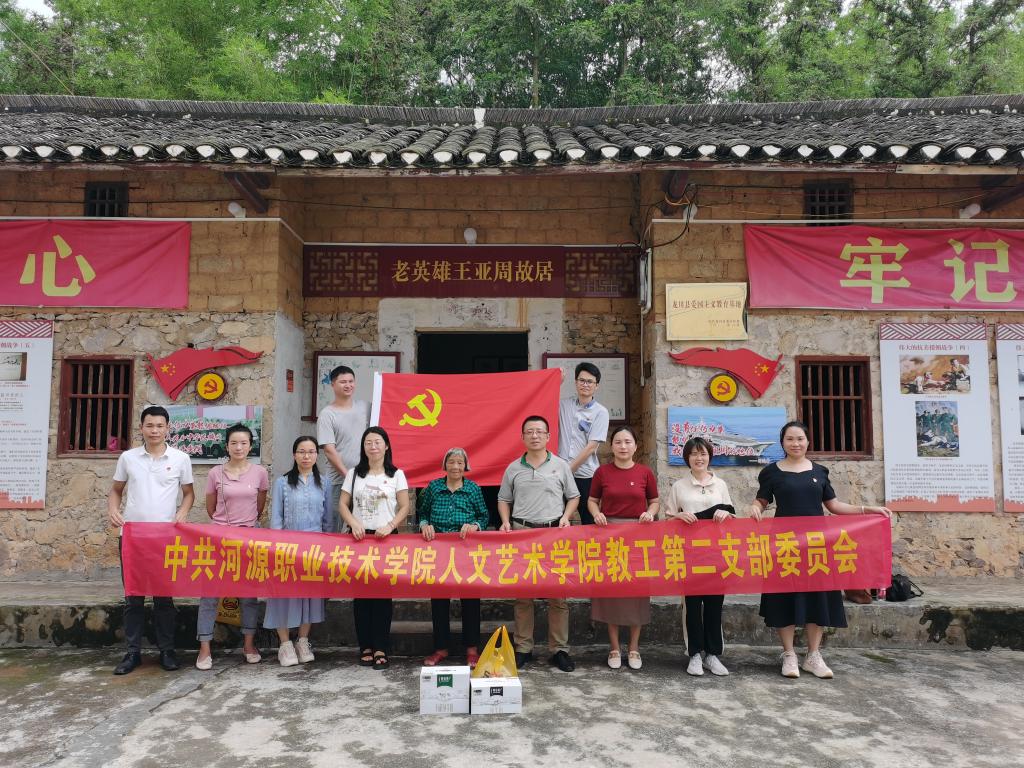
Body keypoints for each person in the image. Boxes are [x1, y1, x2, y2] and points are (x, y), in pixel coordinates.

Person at [747, 420, 892, 679]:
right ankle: (789, 655)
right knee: (784, 597)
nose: (795, 443)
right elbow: (762, 500)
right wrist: (755, 508)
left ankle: (813, 656)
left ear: (807, 441)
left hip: (817, 545)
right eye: (790, 439)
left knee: (819, 597)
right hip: (784, 544)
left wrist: (867, 509)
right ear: (782, 443)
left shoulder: (820, 471)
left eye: (800, 438)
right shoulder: (771, 472)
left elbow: (834, 506)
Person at [107, 405, 195, 675]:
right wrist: (113, 510)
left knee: (163, 599)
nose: (154, 430)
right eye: (149, 425)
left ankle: (167, 651)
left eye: (159, 426)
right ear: (141, 428)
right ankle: (132, 653)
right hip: (132, 538)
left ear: (168, 428)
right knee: (133, 598)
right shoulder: (128, 458)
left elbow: (189, 493)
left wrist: (182, 513)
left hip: (165, 539)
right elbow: (116, 490)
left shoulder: (180, 458)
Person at [498, 415, 580, 672]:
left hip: (553, 535)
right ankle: (523, 648)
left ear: (548, 436)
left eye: (539, 431)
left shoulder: (561, 465)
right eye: (529, 432)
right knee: (523, 595)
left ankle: (559, 650)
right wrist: (505, 521)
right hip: (522, 534)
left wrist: (566, 517)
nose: (534, 436)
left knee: (558, 596)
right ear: (522, 437)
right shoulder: (513, 468)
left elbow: (573, 496)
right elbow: (503, 499)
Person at [195, 424, 268, 670]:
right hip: (219, 540)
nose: (239, 447)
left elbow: (259, 506)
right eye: (234, 443)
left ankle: (249, 644)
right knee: (209, 594)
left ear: (250, 446)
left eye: (244, 443)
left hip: (248, 540)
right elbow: (211, 507)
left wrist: (244, 527)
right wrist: (225, 528)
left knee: (248, 595)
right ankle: (204, 647)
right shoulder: (215, 473)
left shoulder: (259, 473)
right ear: (226, 446)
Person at [588, 425, 659, 670]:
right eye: (618, 442)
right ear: (612, 446)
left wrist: (650, 513)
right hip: (610, 537)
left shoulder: (645, 472)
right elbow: (592, 500)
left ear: (635, 446)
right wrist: (596, 514)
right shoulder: (602, 472)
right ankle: (614, 648)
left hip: (638, 538)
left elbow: (654, 501)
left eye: (628, 442)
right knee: (612, 592)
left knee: (637, 592)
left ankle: (634, 648)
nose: (623, 446)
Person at [339, 426, 410, 670]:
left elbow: (404, 506)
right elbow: (343, 504)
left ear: (386, 446)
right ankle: (365, 647)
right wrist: (353, 523)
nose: (373, 446)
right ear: (363, 447)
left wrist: (390, 525)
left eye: (377, 442)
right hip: (359, 539)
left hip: (386, 540)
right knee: (361, 596)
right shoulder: (354, 474)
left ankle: (381, 647)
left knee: (382, 596)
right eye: (368, 442)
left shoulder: (397, 474)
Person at [664, 436, 736, 677]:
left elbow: (732, 515)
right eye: (694, 454)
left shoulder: (721, 485)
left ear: (709, 456)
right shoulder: (679, 486)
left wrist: (725, 514)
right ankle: (694, 654)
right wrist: (678, 517)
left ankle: (712, 655)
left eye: (703, 453)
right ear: (687, 458)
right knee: (692, 606)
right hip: (689, 554)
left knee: (715, 605)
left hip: (716, 553)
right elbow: (667, 519)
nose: (699, 458)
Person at [264, 436, 333, 667]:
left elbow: (328, 520)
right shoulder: (282, 483)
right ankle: (284, 644)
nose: (306, 456)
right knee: (281, 596)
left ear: (317, 455)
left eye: (311, 452)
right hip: (287, 548)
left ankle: (303, 641)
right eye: (302, 451)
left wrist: (328, 549)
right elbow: (276, 518)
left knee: (310, 596)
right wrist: (277, 548)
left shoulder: (324, 483)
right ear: (294, 455)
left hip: (314, 549)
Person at [419, 447, 489, 668]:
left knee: (470, 599)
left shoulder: (473, 489)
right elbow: (422, 512)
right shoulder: (433, 487)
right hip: (438, 550)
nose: (456, 466)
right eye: (452, 462)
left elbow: (484, 516)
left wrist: (475, 525)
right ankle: (441, 648)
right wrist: (424, 524)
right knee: (439, 599)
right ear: (445, 465)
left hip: (466, 550)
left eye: (460, 462)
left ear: (465, 466)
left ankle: (472, 649)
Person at [317, 364, 370, 532]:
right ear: (333, 384)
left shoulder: (365, 407)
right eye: (343, 382)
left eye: (351, 381)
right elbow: (329, 450)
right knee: (335, 525)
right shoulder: (327, 414)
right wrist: (349, 477)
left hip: (366, 478)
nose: (348, 385)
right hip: (338, 481)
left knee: (363, 524)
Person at [557, 362, 609, 524]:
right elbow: (544, 402)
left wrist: (568, 470)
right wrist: (556, 383)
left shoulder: (600, 412)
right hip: (559, 473)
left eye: (590, 381)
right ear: (575, 382)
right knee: (557, 518)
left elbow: (591, 447)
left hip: (585, 475)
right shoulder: (563, 405)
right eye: (582, 380)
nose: (585, 384)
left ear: (596, 386)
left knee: (589, 520)